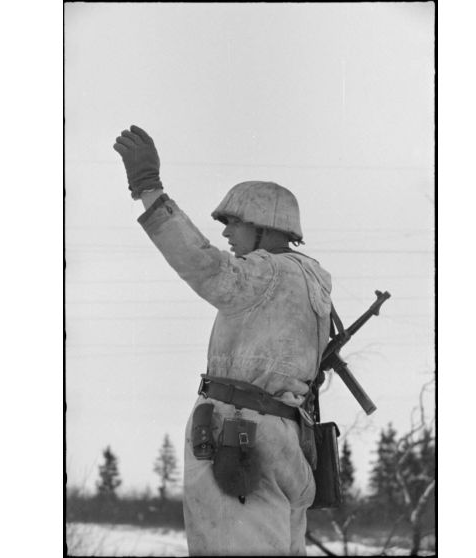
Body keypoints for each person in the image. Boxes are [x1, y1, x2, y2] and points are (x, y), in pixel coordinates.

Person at [113, 125, 333, 556]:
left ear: (265, 227)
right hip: (289, 443)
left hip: (239, 439)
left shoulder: (267, 271)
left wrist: (148, 189)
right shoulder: (314, 284)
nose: (227, 235)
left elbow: (204, 265)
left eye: (235, 223)